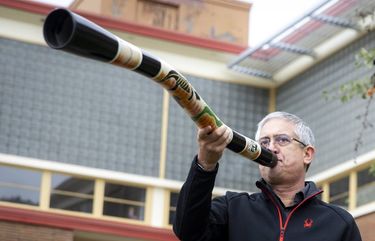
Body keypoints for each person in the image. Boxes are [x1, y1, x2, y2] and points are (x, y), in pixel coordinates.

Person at [173, 111, 362, 241]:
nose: (271, 148)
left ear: (307, 154)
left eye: (282, 140)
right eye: (264, 142)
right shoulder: (233, 209)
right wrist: (206, 163)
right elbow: (187, 231)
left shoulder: (338, 223)